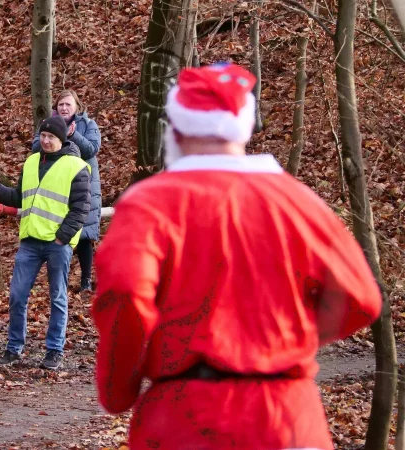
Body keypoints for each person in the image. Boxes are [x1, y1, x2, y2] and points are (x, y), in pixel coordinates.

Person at [92, 63, 382, 449]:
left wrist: (118, 388)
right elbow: (359, 299)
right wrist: (283, 340)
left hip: (186, 416)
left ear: (175, 131)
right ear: (243, 128)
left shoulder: (151, 203)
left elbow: (126, 294)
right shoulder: (297, 201)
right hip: (288, 418)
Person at [0, 115, 90, 371]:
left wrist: (63, 236)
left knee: (57, 297)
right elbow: (18, 198)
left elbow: (81, 209)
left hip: (57, 244)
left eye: (51, 137)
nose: (46, 141)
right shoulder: (31, 162)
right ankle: (14, 348)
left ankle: (54, 350)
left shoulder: (76, 166)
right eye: (43, 136)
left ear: (62, 139)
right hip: (30, 241)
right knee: (17, 296)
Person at [32, 90, 101, 294]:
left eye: (68, 105)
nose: (63, 108)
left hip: (84, 183)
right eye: (61, 104)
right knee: (57, 232)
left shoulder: (88, 125)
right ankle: (58, 281)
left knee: (84, 233)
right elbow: (36, 146)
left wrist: (72, 135)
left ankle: (86, 280)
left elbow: (91, 149)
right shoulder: (47, 124)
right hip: (55, 183)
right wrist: (53, 141)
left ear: (76, 107)